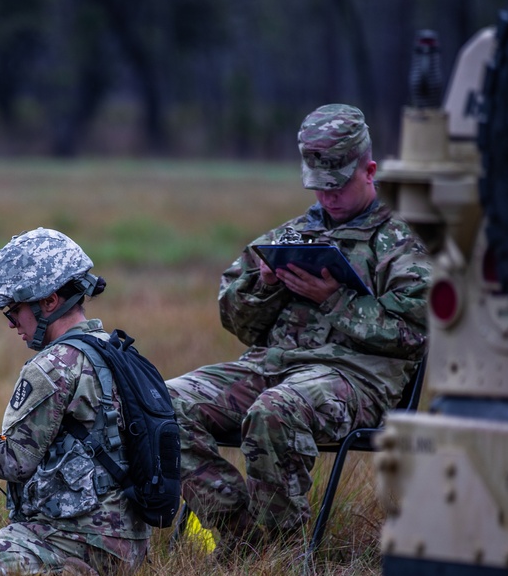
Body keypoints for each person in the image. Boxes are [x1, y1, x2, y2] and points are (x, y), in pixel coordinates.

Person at [167, 103, 431, 546]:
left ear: (370, 171)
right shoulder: (290, 236)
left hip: (355, 380)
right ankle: (238, 528)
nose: (327, 197)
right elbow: (238, 323)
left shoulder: (402, 245)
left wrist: (334, 301)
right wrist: (266, 284)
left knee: (275, 411)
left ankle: (278, 551)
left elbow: (415, 337)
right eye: (318, 187)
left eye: (339, 186)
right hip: (272, 366)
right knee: (159, 404)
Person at [0, 228, 150, 576]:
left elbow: (15, 460)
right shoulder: (116, 351)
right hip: (130, 546)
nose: (11, 324)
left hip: (79, 540)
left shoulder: (53, 365)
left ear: (48, 301)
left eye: (14, 311)